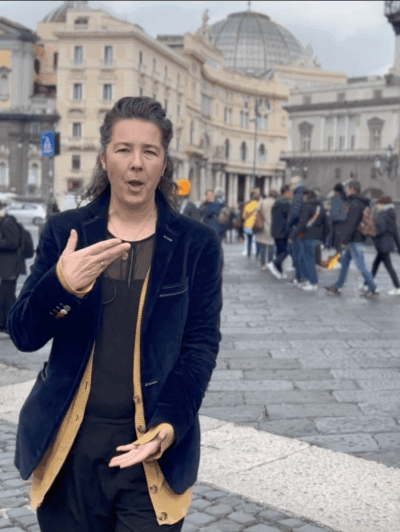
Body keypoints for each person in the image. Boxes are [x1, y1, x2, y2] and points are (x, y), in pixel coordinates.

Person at [8, 97, 223, 531]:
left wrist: (170, 424)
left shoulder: (196, 243)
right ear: (104, 158)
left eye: (150, 151)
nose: (136, 163)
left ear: (164, 164)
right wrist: (62, 284)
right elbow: (23, 333)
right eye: (124, 149)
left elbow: (200, 346)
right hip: (68, 450)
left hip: (150, 453)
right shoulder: (66, 231)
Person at [325, 180, 378, 298]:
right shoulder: (360, 202)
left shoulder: (355, 203)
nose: (347, 191)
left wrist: (344, 239)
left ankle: (373, 288)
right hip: (355, 238)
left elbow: (351, 224)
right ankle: (338, 286)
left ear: (352, 189)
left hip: (354, 239)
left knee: (361, 266)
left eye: (348, 189)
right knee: (344, 264)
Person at [289, 190, 330, 291]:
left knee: (308, 261)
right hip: (317, 238)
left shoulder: (306, 206)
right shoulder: (321, 208)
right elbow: (327, 226)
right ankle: (308, 280)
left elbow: (302, 223)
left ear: (307, 196)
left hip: (307, 237)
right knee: (310, 260)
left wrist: (293, 236)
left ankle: (313, 283)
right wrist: (323, 238)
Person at [0, 202, 26, 334]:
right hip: (6, 267)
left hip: (10, 267)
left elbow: (12, 242)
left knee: (8, 297)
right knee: (4, 296)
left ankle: (11, 324)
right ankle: (4, 323)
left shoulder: (8, 222)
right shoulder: (4, 221)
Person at [370, 195, 400, 295]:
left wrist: (372, 233)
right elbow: (395, 232)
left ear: (383, 204)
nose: (377, 205)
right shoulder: (392, 214)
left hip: (382, 245)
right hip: (386, 245)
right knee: (375, 265)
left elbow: (380, 229)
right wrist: (398, 246)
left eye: (378, 204)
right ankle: (367, 283)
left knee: (389, 267)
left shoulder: (382, 214)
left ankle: (397, 287)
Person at [269, 184, 292, 279]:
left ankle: (279, 272)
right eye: (290, 192)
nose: (292, 194)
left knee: (279, 251)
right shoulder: (286, 203)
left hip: (275, 231)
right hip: (283, 231)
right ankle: (273, 263)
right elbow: (289, 219)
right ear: (286, 192)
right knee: (286, 251)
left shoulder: (276, 202)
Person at [287, 176, 307, 285]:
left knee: (296, 252)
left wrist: (289, 224)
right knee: (300, 253)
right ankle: (301, 276)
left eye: (291, 184)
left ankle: (299, 277)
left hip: (297, 228)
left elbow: (295, 213)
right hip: (303, 228)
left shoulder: (298, 195)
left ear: (294, 184)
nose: (290, 186)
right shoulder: (304, 193)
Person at [255, 190, 277, 272]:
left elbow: (257, 211)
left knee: (263, 246)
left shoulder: (263, 201)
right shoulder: (276, 202)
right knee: (271, 246)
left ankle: (263, 264)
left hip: (263, 226)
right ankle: (270, 263)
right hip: (273, 226)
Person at [328, 183, 347, 255]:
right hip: (344, 223)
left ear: (336, 191)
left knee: (338, 245)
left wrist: (330, 217)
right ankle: (340, 260)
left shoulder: (336, 198)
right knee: (340, 245)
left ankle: (338, 260)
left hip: (337, 223)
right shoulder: (345, 198)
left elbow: (334, 213)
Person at [242, 189, 260, 258]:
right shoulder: (259, 205)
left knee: (249, 239)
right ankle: (257, 253)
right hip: (256, 225)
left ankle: (248, 252)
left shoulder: (248, 205)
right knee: (256, 240)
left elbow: (244, 216)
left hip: (248, 225)